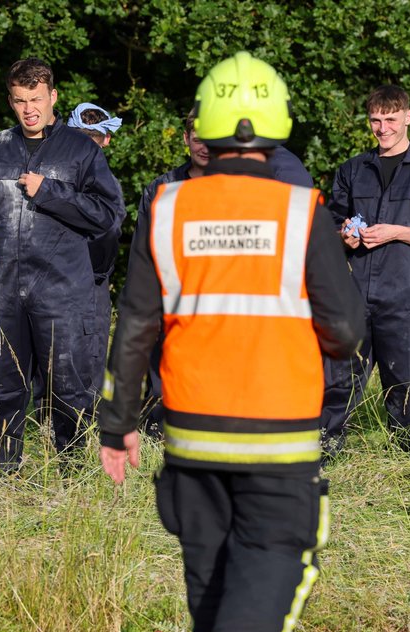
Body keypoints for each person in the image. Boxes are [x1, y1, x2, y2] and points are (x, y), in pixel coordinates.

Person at [97, 52, 364, 632]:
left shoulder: (166, 207)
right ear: (275, 131)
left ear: (206, 132)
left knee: (210, 568)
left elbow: (135, 327)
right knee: (284, 551)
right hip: (278, 432)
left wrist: (117, 424)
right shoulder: (302, 209)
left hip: (189, 430)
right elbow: (345, 333)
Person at [0, 59, 125, 472]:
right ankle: (0, 475)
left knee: (69, 390)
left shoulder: (81, 150)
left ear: (53, 98)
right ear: (10, 101)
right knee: (3, 386)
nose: (29, 109)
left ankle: (74, 476)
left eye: (36, 99)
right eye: (20, 100)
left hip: (63, 292)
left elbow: (108, 214)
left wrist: (50, 192)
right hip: (4, 290)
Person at [134, 112, 315, 437]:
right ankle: (155, 445)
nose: (205, 146)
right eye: (198, 137)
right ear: (186, 139)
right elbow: (144, 253)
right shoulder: (162, 189)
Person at [322, 85, 410, 453]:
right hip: (354, 292)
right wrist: (344, 236)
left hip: (406, 295)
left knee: (406, 383)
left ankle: (404, 459)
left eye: (390, 119)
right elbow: (332, 223)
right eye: (375, 120)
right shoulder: (353, 169)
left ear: (408, 118)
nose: (382, 128)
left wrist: (398, 231)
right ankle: (324, 452)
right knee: (337, 376)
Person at [59, 102, 124, 413]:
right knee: (91, 353)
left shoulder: (50, 172)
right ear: (107, 139)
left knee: (50, 351)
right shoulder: (105, 181)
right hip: (89, 279)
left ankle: (48, 424)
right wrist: (99, 270)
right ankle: (82, 428)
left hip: (48, 276)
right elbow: (109, 232)